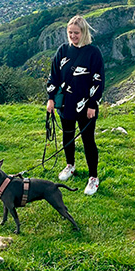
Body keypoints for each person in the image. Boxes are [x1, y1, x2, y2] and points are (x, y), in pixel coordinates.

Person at [46, 15, 105, 195]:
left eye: (76, 33)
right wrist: (50, 98)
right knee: (68, 136)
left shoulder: (93, 53)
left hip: (86, 105)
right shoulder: (63, 50)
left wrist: (93, 104)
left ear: (84, 32)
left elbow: (98, 80)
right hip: (66, 104)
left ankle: (93, 177)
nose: (73, 36)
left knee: (88, 141)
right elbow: (54, 75)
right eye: (70, 32)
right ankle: (70, 165)